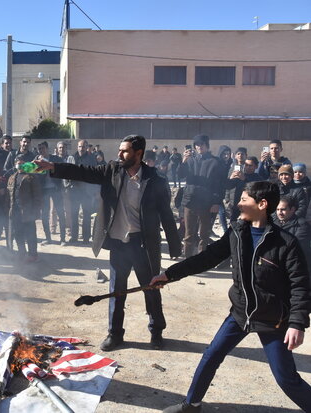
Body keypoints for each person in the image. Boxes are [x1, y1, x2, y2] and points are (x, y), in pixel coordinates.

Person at [150, 181, 311, 413]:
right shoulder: (237, 231)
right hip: (240, 313)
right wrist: (169, 274)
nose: (238, 203)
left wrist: (297, 323)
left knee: (286, 379)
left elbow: (300, 285)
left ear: (262, 204)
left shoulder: (286, 243)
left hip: (273, 318)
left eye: (244, 199)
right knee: (211, 355)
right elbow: (207, 257)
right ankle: (191, 405)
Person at [36, 134, 182, 350]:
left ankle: (156, 331)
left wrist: (174, 245)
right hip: (118, 244)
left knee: (151, 288)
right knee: (116, 290)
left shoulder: (154, 180)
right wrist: (52, 166)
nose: (119, 154)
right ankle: (115, 334)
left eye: (125, 151)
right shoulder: (112, 170)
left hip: (142, 244)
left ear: (138, 153)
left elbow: (166, 214)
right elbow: (82, 172)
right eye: (120, 150)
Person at [178, 134, 227, 257]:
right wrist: (183, 161)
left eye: (202, 144)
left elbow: (219, 185)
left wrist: (216, 202)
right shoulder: (190, 160)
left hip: (207, 202)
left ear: (207, 145)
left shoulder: (215, 162)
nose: (199, 147)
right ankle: (187, 260)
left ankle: (201, 261)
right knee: (188, 234)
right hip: (190, 201)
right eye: (197, 145)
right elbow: (180, 175)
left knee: (204, 234)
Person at [7, 154, 42, 262]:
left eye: (23, 163)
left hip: (28, 211)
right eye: (18, 163)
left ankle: (33, 255)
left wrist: (36, 210)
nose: (20, 165)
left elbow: (37, 196)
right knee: (18, 233)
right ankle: (21, 252)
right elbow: (8, 195)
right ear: (15, 164)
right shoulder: (12, 177)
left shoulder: (31, 177)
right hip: (15, 211)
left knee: (30, 234)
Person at [36, 141, 65, 245]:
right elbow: (33, 173)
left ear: (47, 148)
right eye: (39, 149)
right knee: (44, 214)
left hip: (56, 188)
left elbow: (62, 168)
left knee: (60, 213)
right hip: (44, 190)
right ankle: (48, 238)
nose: (41, 150)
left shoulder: (55, 158)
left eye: (43, 148)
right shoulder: (36, 160)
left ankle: (63, 238)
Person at [69, 139, 97, 244]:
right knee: (74, 214)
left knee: (86, 215)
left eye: (84, 146)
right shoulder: (72, 157)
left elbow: (94, 174)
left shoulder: (91, 158)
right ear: (77, 147)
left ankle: (86, 238)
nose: (82, 148)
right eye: (80, 146)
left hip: (87, 192)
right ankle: (74, 237)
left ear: (87, 147)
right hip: (74, 191)